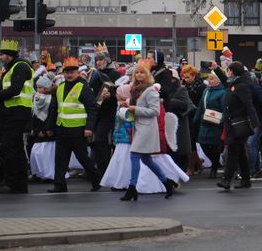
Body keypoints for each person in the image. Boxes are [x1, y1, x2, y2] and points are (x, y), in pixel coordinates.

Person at [0, 39, 34, 194]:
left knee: (9, 147)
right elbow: (6, 88)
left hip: (17, 112)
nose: (0, 57)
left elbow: (15, 90)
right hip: (11, 113)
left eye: (3, 54)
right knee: (17, 148)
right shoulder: (11, 68)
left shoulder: (20, 67)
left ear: (10, 54)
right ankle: (20, 183)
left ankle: (13, 182)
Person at [120, 67, 177, 201]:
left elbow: (155, 111)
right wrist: (127, 105)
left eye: (142, 72)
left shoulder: (150, 90)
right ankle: (166, 182)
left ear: (147, 75)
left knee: (134, 154)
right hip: (139, 126)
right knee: (146, 159)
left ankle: (132, 188)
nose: (139, 75)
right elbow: (140, 106)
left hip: (146, 128)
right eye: (137, 72)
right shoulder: (135, 89)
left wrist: (136, 109)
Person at [47, 57, 101, 193]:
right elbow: (54, 109)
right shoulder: (60, 87)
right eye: (67, 72)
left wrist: (89, 128)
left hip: (77, 129)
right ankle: (59, 185)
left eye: (72, 72)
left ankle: (96, 179)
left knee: (83, 158)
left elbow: (92, 109)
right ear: (63, 73)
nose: (69, 74)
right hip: (62, 128)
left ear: (77, 72)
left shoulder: (83, 87)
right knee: (60, 159)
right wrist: (49, 127)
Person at [217, 61, 259, 190]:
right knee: (240, 152)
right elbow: (226, 82)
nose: (227, 73)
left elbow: (248, 105)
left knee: (233, 151)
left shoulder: (242, 86)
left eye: (228, 70)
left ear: (233, 72)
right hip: (232, 122)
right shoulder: (235, 83)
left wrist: (255, 123)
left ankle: (226, 179)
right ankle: (246, 180)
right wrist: (216, 69)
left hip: (239, 124)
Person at [88, 45, 121, 180]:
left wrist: (112, 95)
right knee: (96, 141)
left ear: (107, 59)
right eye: (97, 60)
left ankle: (105, 170)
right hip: (97, 112)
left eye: (101, 59)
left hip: (110, 112)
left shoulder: (115, 74)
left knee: (101, 139)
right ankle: (93, 169)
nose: (98, 62)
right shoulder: (95, 73)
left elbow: (122, 92)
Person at [193, 70, 227, 179]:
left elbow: (224, 109)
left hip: (216, 124)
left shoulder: (223, 92)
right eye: (209, 78)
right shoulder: (206, 91)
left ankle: (214, 168)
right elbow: (200, 106)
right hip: (205, 122)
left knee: (215, 146)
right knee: (203, 144)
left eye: (212, 79)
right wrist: (196, 119)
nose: (209, 80)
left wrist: (222, 122)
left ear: (218, 80)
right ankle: (215, 162)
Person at [181, 64, 206, 176]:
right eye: (184, 77)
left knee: (192, 142)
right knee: (191, 142)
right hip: (188, 116)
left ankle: (192, 167)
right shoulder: (185, 87)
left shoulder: (201, 87)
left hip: (197, 116)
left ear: (194, 76)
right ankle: (198, 164)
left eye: (188, 77)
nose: (186, 79)